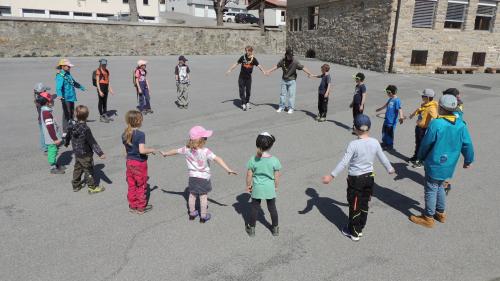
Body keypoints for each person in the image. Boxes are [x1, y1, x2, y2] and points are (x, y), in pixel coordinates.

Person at [322, 114, 395, 241]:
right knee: (364, 203)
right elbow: (382, 157)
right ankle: (360, 227)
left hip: (356, 180)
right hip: (369, 178)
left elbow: (344, 162)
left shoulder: (353, 144)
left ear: (355, 128)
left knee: (355, 204)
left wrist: (331, 175)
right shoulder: (375, 142)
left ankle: (354, 232)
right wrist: (389, 168)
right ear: (369, 128)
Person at [409, 95, 474, 228]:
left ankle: (428, 217)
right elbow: (467, 144)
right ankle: (440, 213)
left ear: (442, 108)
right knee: (440, 186)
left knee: (431, 188)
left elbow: (426, 143)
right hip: (449, 164)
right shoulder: (461, 124)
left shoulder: (437, 123)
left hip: (435, 163)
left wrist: (420, 157)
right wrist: (468, 159)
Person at [161, 126, 237, 223]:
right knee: (203, 196)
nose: (206, 139)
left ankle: (192, 213)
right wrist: (228, 169)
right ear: (202, 140)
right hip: (204, 178)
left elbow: (175, 151)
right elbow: (218, 159)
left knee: (192, 195)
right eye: (205, 138)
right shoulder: (205, 151)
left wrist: (165, 153)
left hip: (192, 177)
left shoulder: (186, 149)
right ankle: (203, 216)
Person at [245, 132, 281, 237]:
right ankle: (275, 228)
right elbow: (277, 176)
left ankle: (251, 229)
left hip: (257, 187)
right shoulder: (274, 160)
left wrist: (248, 185)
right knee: (272, 208)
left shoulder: (253, 159)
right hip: (270, 188)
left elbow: (249, 175)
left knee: (254, 208)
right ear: (270, 146)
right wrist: (276, 186)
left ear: (257, 144)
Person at [64, 105, 106, 193]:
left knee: (78, 168)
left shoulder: (72, 126)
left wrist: (66, 143)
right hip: (86, 153)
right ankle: (92, 187)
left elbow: (68, 135)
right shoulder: (86, 129)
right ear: (87, 116)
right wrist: (100, 153)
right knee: (88, 170)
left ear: (75, 114)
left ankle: (76, 185)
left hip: (77, 153)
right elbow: (92, 142)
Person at [122, 110, 156, 214]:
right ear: (138, 121)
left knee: (131, 184)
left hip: (129, 162)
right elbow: (142, 150)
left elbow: (126, 150)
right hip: (139, 163)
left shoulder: (125, 133)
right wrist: (151, 150)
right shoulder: (140, 134)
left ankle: (133, 205)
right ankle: (141, 207)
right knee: (141, 184)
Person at [266, 48, 313, 114]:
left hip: (292, 81)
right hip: (284, 80)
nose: (291, 56)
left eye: (292, 55)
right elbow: (276, 66)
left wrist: (309, 73)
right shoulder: (282, 61)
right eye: (290, 55)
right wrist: (269, 71)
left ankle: (291, 108)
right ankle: (281, 107)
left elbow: (303, 67)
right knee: (282, 94)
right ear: (286, 55)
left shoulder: (295, 61)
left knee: (291, 95)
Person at [225, 46, 266, 111]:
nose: (247, 52)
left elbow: (259, 65)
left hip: (248, 78)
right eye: (246, 51)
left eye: (248, 51)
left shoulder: (253, 59)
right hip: (241, 77)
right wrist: (230, 70)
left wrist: (264, 71)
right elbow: (236, 63)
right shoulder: (242, 57)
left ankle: (247, 102)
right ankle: (243, 104)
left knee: (248, 91)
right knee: (241, 90)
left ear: (251, 51)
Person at [408, 89, 438, 168]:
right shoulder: (425, 104)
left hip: (423, 129)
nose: (421, 97)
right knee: (418, 143)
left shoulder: (431, 108)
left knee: (422, 145)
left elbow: (436, 118)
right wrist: (412, 114)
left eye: (423, 96)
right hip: (418, 127)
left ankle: (420, 160)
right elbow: (419, 110)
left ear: (427, 98)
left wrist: (434, 127)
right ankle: (416, 156)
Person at [442, 88, 464, 195]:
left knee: (446, 160)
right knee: (447, 161)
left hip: (449, 139)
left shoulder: (454, 110)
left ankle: (445, 184)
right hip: (453, 138)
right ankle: (444, 182)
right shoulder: (458, 105)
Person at [55, 59, 86, 136]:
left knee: (71, 112)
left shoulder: (68, 74)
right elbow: (58, 87)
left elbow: (73, 82)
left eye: (69, 66)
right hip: (65, 98)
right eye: (68, 66)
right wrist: (60, 95)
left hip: (71, 96)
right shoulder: (60, 75)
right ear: (62, 66)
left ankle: (71, 127)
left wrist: (81, 87)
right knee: (66, 113)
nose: (69, 67)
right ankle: (65, 131)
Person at [38, 91, 65, 174]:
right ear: (47, 103)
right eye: (52, 100)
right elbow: (49, 127)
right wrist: (55, 138)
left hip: (52, 136)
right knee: (52, 150)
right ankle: (52, 167)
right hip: (51, 137)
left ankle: (55, 164)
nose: (53, 101)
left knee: (54, 150)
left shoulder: (45, 110)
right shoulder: (46, 113)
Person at [375, 85, 405, 150]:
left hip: (391, 122)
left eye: (387, 92)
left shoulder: (397, 100)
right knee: (384, 132)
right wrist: (379, 109)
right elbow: (385, 105)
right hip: (386, 120)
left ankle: (389, 145)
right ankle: (384, 142)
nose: (387, 94)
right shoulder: (390, 99)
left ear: (390, 92)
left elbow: (399, 109)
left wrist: (401, 117)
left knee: (389, 133)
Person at [94, 58, 114, 123]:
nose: (104, 66)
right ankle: (101, 116)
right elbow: (97, 82)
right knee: (101, 101)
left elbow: (108, 81)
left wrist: (110, 89)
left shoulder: (107, 71)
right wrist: (99, 91)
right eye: (103, 64)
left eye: (105, 64)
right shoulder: (98, 71)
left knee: (105, 102)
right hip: (101, 86)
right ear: (100, 64)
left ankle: (105, 114)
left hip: (106, 87)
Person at [34, 83, 50, 154]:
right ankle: (45, 147)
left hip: (40, 119)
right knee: (44, 133)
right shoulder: (42, 100)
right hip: (44, 119)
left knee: (43, 133)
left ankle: (46, 146)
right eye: (45, 90)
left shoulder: (37, 99)